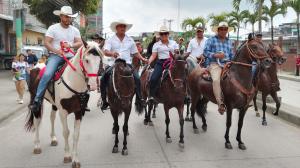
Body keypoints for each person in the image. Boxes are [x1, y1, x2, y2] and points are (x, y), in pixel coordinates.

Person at [30, 6, 82, 114]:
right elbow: (47, 43)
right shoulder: (53, 28)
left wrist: (71, 45)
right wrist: (57, 51)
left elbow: (80, 42)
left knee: (83, 71)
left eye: (70, 17)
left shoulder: (75, 30)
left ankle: (83, 97)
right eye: (66, 17)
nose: (68, 19)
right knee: (47, 74)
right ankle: (37, 100)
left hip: (71, 56)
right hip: (56, 56)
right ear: (61, 16)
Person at [100, 19, 148, 110]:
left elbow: (135, 53)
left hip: (127, 64)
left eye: (124, 26)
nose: (122, 28)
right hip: (114, 63)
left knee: (137, 78)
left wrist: (143, 59)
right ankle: (104, 101)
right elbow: (105, 51)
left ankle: (140, 99)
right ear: (116, 28)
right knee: (103, 78)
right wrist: (112, 53)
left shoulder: (130, 40)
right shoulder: (110, 40)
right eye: (120, 26)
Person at [204, 22, 234, 114]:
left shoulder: (230, 41)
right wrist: (215, 55)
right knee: (216, 80)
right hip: (215, 64)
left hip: (228, 64)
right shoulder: (211, 40)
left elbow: (232, 54)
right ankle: (220, 103)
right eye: (221, 29)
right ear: (218, 30)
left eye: (225, 29)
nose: (223, 31)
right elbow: (205, 52)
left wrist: (232, 61)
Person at [148, 26, 179, 99]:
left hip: (172, 62)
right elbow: (153, 56)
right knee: (153, 78)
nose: (164, 35)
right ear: (160, 35)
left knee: (182, 76)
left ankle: (186, 95)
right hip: (161, 63)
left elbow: (177, 53)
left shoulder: (174, 43)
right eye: (162, 34)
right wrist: (148, 62)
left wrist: (177, 52)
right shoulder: (156, 44)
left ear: (168, 34)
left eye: (165, 33)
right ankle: (151, 95)